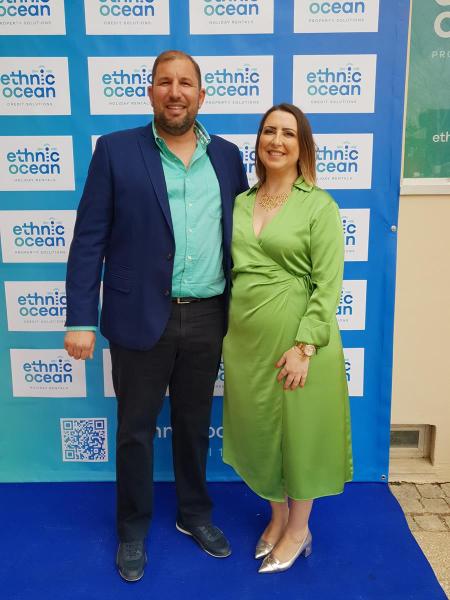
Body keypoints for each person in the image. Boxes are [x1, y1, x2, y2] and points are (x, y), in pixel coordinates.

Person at [64, 50, 248, 582]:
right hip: (140, 314)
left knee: (194, 425)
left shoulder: (228, 157)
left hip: (208, 315)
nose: (175, 92)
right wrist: (80, 318)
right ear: (150, 92)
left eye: (185, 83)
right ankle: (132, 528)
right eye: (164, 82)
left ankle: (195, 514)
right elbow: (89, 240)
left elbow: (244, 238)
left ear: (201, 95)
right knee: (135, 431)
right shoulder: (115, 151)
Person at [222, 103, 353, 574]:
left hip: (298, 344)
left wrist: (305, 347)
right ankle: (277, 518)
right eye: (269, 131)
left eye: (288, 134)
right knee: (260, 433)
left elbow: (328, 283)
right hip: (246, 342)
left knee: (299, 437)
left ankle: (299, 529)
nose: (276, 141)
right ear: (258, 140)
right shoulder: (240, 202)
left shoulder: (319, 205)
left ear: (303, 147)